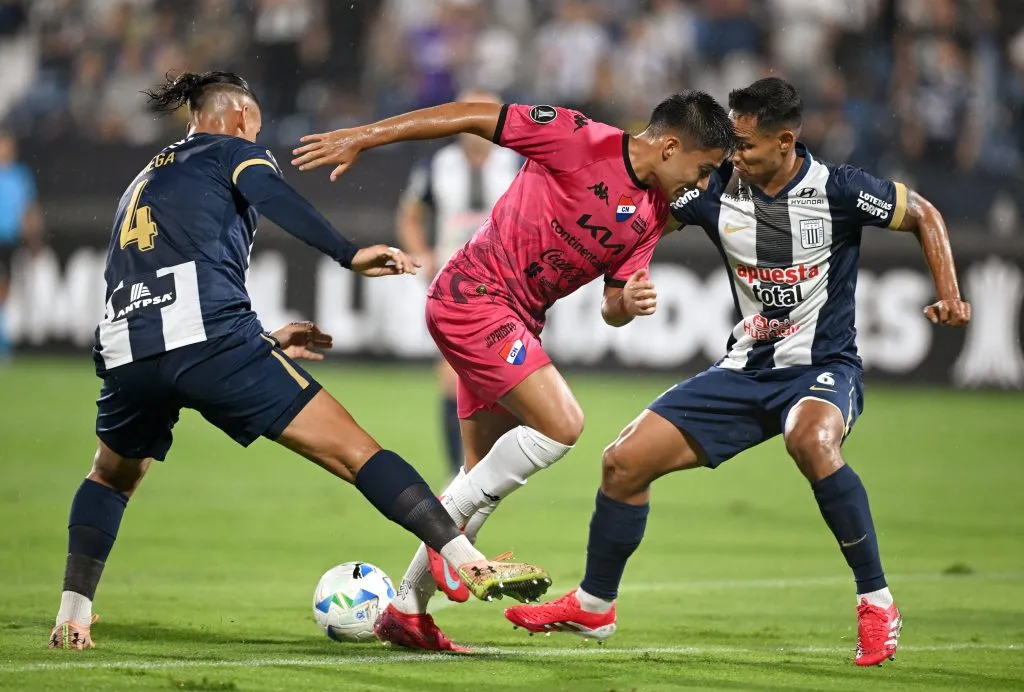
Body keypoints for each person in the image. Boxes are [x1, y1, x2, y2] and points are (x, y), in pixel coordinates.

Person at [48, 71, 549, 651]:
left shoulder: (143, 178)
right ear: (240, 116)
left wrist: (261, 339)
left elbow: (166, 271)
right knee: (358, 452)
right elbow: (272, 197)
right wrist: (347, 252)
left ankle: (73, 616)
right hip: (209, 341)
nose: (257, 135)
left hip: (126, 345)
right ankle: (466, 558)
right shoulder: (233, 150)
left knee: (110, 476)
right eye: (255, 124)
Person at [504, 77, 972, 668]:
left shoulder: (842, 191)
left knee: (811, 438)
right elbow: (633, 240)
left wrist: (950, 294)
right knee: (622, 462)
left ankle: (877, 604)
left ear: (785, 140)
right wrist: (620, 299)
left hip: (822, 368)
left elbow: (925, 215)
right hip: (744, 369)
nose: (733, 156)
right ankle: (596, 605)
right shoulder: (710, 189)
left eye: (745, 145)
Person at [293, 91, 736, 651]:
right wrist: (366, 134)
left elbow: (613, 306)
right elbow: (475, 114)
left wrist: (631, 303)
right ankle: (458, 552)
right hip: (472, 295)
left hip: (518, 319)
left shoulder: (650, 214)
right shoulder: (579, 138)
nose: (700, 184)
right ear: (670, 146)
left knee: (479, 480)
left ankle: (407, 609)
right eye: (702, 169)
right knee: (564, 424)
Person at [396, 88, 522, 478]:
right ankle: (460, 471)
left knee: (512, 379)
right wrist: (422, 257)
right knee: (452, 376)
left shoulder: (518, 162)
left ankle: (496, 464)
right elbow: (410, 215)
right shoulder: (437, 165)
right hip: (455, 285)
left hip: (509, 287)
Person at [0, 128, 44, 360]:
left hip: (8, 239)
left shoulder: (20, 174)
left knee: (5, 290)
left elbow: (28, 208)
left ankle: (3, 341)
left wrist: (34, 238)